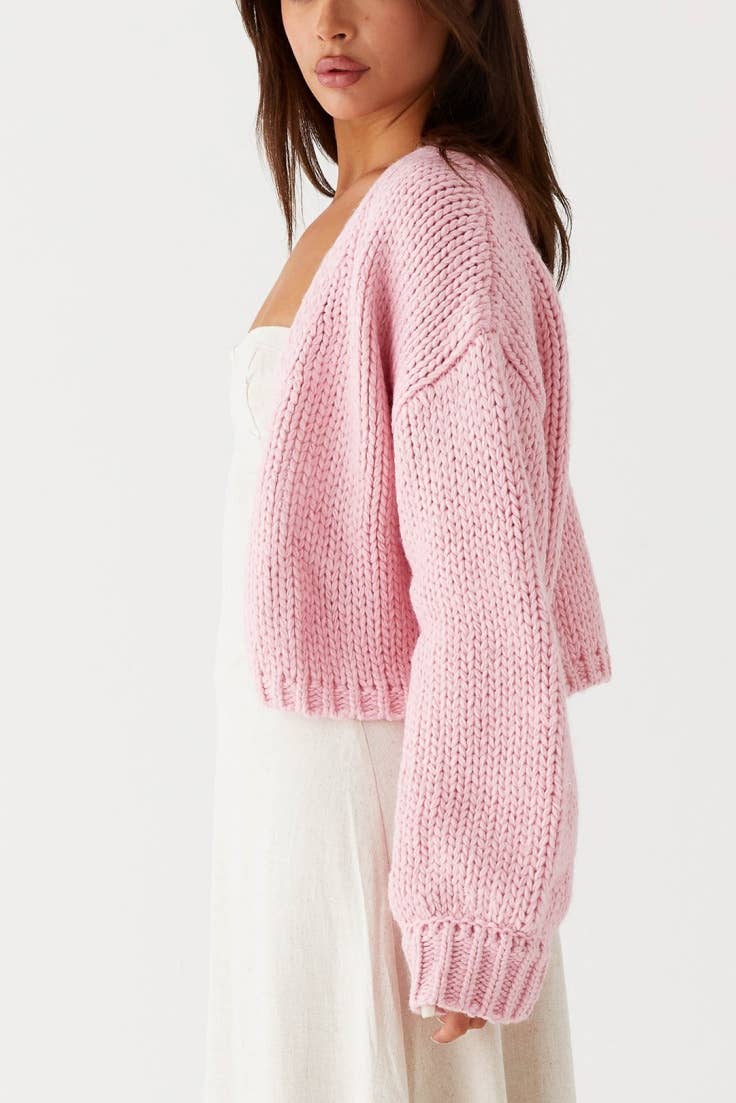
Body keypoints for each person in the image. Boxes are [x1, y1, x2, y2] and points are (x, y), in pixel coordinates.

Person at [203, 0, 612, 1099]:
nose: (329, 21)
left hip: (387, 820)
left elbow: (487, 595)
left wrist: (476, 899)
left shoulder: (440, 215)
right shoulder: (358, 212)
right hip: (293, 800)